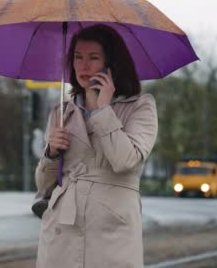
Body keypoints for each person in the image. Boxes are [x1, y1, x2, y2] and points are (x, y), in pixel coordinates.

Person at [35, 24, 158, 267]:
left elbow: (125, 161)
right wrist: (51, 153)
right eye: (78, 57)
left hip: (111, 231)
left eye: (93, 57)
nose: (83, 65)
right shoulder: (61, 113)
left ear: (112, 64)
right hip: (62, 230)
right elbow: (44, 185)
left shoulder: (140, 106)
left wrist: (101, 109)